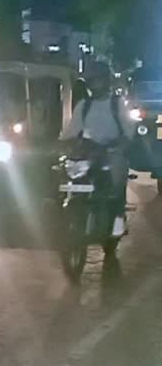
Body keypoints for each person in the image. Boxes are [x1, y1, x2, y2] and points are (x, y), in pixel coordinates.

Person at [62, 62, 135, 237]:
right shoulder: (83, 106)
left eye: (98, 79)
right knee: (69, 178)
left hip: (111, 153)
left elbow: (128, 132)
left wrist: (119, 146)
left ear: (106, 80)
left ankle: (117, 221)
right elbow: (71, 132)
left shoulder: (117, 104)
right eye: (92, 80)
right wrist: (66, 145)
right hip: (89, 154)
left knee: (115, 189)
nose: (95, 83)